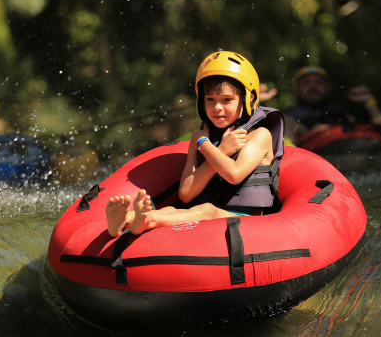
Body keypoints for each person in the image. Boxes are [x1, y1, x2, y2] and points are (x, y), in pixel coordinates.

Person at [105, 51, 284, 237]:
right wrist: (219, 148)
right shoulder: (204, 137)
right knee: (172, 210)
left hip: (247, 222)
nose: (217, 107)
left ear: (249, 98)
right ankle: (127, 218)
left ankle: (149, 220)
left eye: (227, 100)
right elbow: (186, 194)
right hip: (208, 215)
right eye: (210, 99)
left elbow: (234, 175)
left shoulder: (259, 135)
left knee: (206, 210)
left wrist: (205, 145)